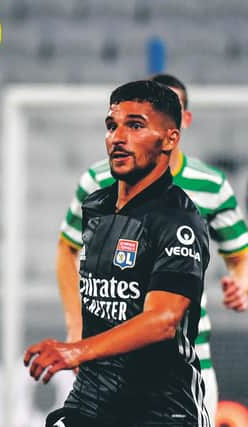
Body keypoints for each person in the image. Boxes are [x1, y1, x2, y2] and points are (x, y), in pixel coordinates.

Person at [56, 73, 248, 421]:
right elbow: (66, 247)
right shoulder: (98, 183)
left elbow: (240, 255)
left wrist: (242, 282)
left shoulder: (209, 187)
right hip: (106, 364)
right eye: (116, 124)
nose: (122, 136)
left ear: (180, 123)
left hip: (182, 362)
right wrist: (75, 325)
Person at [25, 80, 211, 426]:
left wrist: (75, 350)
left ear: (170, 139)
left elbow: (163, 321)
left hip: (160, 409)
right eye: (112, 125)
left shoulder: (178, 220)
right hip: (92, 400)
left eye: (135, 125)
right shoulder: (96, 205)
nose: (117, 137)